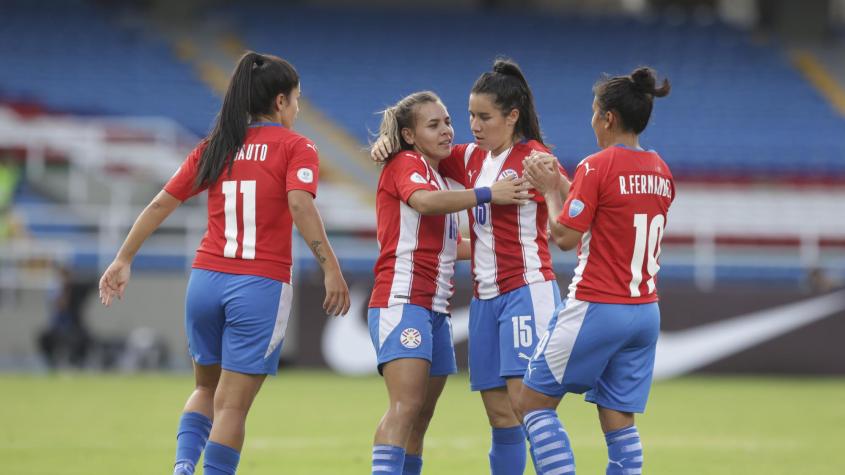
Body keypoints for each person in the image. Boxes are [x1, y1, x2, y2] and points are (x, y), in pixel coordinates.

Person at [98, 51, 350, 475]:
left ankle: (182, 467)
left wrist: (123, 258)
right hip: (258, 285)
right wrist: (331, 268)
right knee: (231, 406)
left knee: (204, 388)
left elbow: (162, 202)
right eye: (298, 98)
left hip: (205, 282)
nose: (300, 108)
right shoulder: (297, 147)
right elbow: (299, 204)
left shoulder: (216, 146)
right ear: (281, 102)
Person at [373, 58, 568, 475]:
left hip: (525, 290)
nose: (472, 127)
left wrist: (557, 186)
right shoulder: (472, 159)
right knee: (499, 414)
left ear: (512, 116)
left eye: (484, 117)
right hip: (484, 301)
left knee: (528, 407)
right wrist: (389, 143)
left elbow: (572, 212)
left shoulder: (534, 158)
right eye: (469, 117)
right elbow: (418, 153)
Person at [517, 66, 673, 475]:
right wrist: (563, 186)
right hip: (645, 311)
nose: (591, 121)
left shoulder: (596, 166)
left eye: (593, 112)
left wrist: (551, 190)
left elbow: (565, 237)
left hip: (597, 307)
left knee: (531, 404)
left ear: (608, 118)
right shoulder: (661, 171)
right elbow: (610, 213)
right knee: (618, 420)